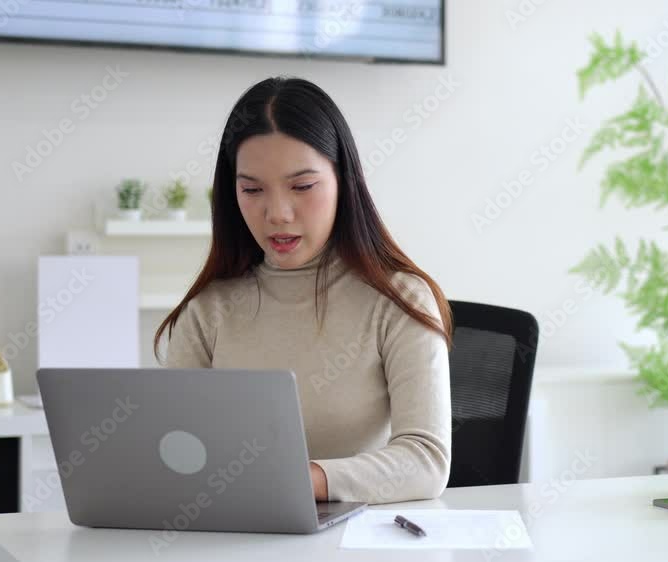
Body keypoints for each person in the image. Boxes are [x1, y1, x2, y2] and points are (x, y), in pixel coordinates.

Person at [153, 76, 452, 505]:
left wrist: (301, 480)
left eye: (302, 186)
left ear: (343, 180)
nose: (277, 213)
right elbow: (171, 455)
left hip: (360, 534)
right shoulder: (208, 312)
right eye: (252, 189)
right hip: (238, 532)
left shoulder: (398, 299)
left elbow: (426, 461)